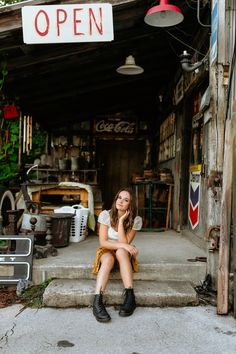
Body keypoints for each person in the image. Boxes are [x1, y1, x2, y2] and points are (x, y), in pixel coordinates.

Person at [92, 187, 142, 322]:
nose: (120, 201)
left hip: (123, 253)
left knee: (121, 251)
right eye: (119, 198)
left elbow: (124, 243)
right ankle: (97, 301)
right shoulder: (105, 215)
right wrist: (125, 245)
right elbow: (103, 242)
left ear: (130, 205)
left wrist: (120, 222)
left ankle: (130, 297)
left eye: (126, 200)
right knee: (108, 259)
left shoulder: (135, 220)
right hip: (107, 249)